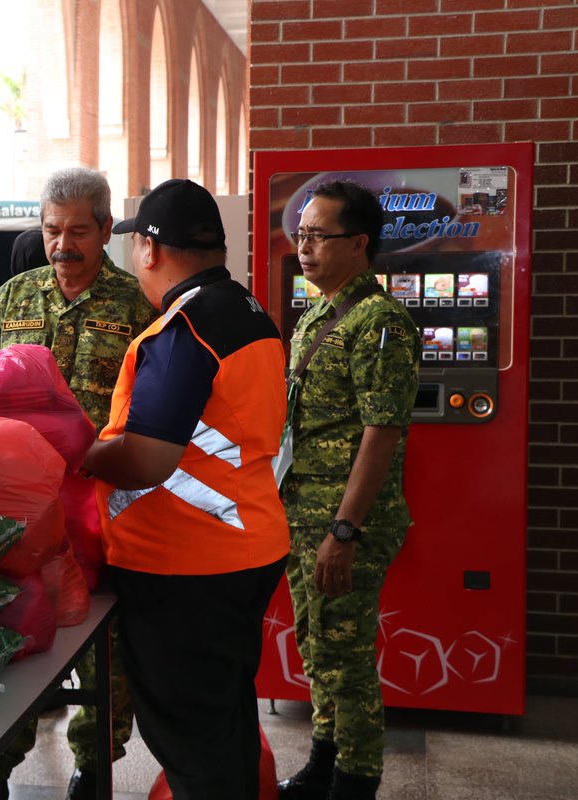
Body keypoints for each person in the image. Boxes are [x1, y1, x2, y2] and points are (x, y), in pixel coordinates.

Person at [82, 178, 290, 799]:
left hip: (186, 567)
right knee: (222, 719)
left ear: (149, 248)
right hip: (245, 545)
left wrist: (84, 453)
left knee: (191, 741)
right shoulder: (247, 311)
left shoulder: (183, 329)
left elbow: (147, 459)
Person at [0, 166, 153, 800]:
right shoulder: (12, 299)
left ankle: (94, 762)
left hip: (102, 505)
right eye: (52, 230)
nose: (63, 245)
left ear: (106, 229)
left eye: (78, 231)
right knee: (15, 632)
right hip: (19, 509)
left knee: (105, 646)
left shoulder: (136, 305)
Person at [276, 181, 421, 800]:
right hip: (304, 513)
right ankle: (323, 760)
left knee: (346, 656)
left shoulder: (380, 321)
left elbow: (381, 434)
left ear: (358, 243)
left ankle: (356, 781)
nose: (304, 247)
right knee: (317, 644)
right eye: (300, 234)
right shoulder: (319, 313)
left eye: (318, 235)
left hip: (344, 522)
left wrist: (344, 530)